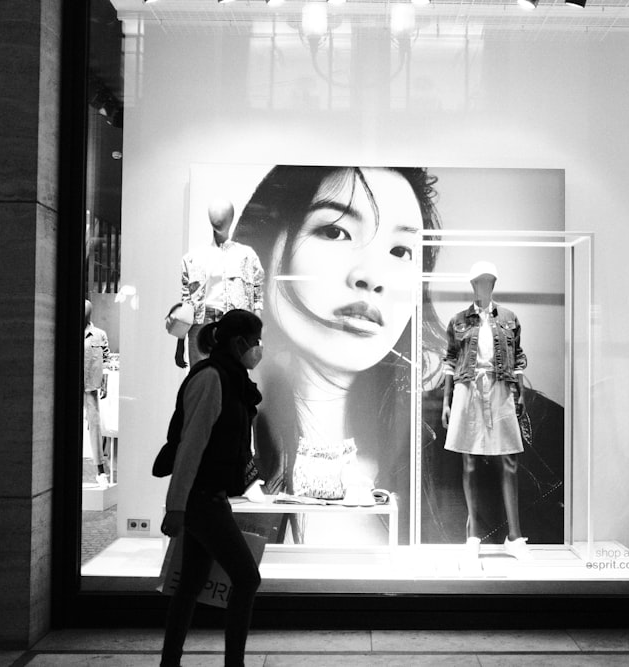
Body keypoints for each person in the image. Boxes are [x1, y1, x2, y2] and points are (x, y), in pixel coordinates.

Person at [233, 166, 446, 544]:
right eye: (334, 231)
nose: (371, 276)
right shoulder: (231, 417)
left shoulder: (451, 440)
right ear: (268, 243)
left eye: (400, 251)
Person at [160, 310, 264, 667]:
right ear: (239, 343)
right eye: (254, 343)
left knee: (191, 582)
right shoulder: (212, 379)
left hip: (209, 497)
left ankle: (169, 661)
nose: (257, 350)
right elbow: (192, 444)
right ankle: (234, 663)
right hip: (202, 500)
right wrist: (175, 507)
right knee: (247, 578)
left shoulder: (230, 378)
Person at [439, 261, 533, 560]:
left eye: (489, 281)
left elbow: (517, 356)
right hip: (467, 388)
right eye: (479, 281)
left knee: (509, 460)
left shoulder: (508, 317)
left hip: (501, 386)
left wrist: (519, 391)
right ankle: (473, 535)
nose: (484, 286)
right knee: (469, 461)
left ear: (494, 284)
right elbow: (450, 362)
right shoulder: (458, 320)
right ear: (472, 285)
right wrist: (446, 400)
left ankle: (515, 537)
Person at [175, 199, 265, 368]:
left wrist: (256, 333)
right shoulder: (192, 258)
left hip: (234, 322)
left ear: (231, 218)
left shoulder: (246, 256)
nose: (219, 218)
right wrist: (180, 343)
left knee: (234, 375)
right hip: (201, 322)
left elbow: (257, 294)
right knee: (201, 374)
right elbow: (186, 303)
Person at [84, 299, 111, 488]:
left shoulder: (99, 335)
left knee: (94, 426)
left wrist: (104, 383)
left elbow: (107, 360)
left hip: (90, 386)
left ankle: (100, 470)